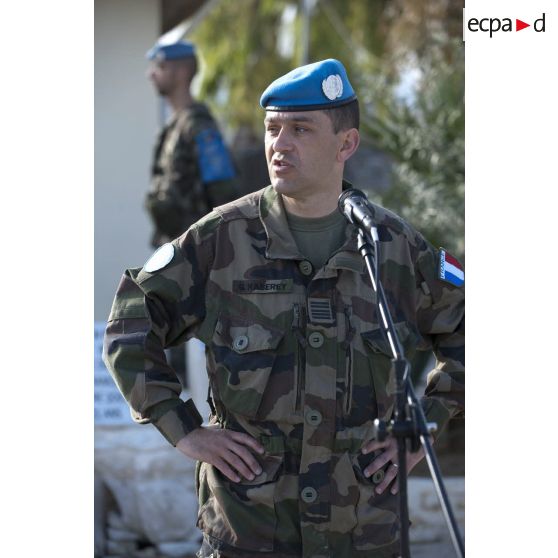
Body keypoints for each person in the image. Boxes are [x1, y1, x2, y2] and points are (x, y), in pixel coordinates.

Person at [104, 59, 464, 558]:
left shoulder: (392, 247)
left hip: (363, 534)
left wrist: (424, 425)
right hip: (248, 532)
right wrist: (183, 429)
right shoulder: (221, 239)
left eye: (300, 129)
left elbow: (467, 326)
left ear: (346, 144)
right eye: (273, 128)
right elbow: (130, 322)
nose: (279, 144)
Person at [144, 39, 238, 388]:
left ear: (182, 71)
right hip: (175, 256)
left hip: (201, 262)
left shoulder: (199, 127)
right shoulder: (174, 126)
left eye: (160, 66)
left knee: (199, 363)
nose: (151, 74)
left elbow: (225, 191)